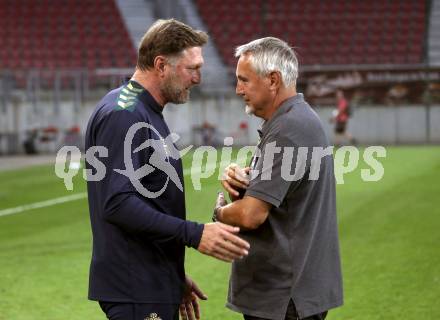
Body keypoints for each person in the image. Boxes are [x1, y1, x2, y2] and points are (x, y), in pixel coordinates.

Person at [85, 19, 250, 320]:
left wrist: (172, 274)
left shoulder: (143, 110)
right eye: (192, 68)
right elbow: (118, 203)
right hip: (136, 286)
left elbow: (152, 201)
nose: (198, 78)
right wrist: (195, 233)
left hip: (152, 280)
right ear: (161, 65)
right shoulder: (125, 113)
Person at [213, 37, 343, 320]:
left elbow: (251, 216)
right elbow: (280, 197)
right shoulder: (294, 121)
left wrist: (220, 211)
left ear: (273, 80)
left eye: (244, 80)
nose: (238, 89)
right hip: (293, 291)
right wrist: (246, 183)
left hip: (286, 296)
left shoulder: (288, 129)